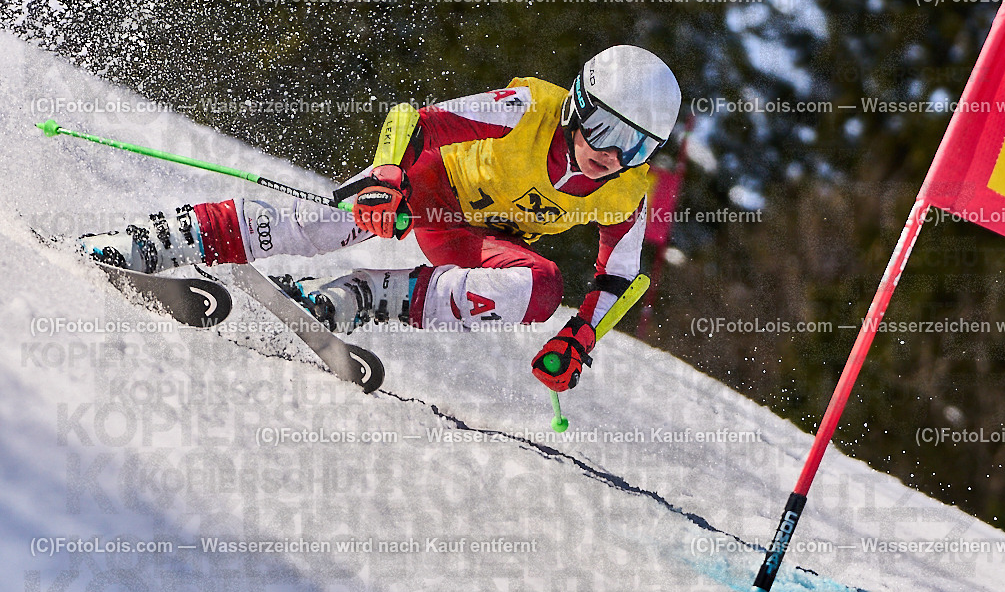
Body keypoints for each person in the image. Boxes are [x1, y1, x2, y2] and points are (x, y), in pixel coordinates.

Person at [81, 44, 682, 392]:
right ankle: (161, 240)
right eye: (605, 129)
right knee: (338, 221)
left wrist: (583, 335)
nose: (612, 154)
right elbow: (417, 120)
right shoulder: (530, 108)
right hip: (435, 185)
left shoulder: (627, 190)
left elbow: (617, 275)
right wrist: (388, 177)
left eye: (637, 146)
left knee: (541, 288)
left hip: (475, 241)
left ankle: (352, 299)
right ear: (579, 103)